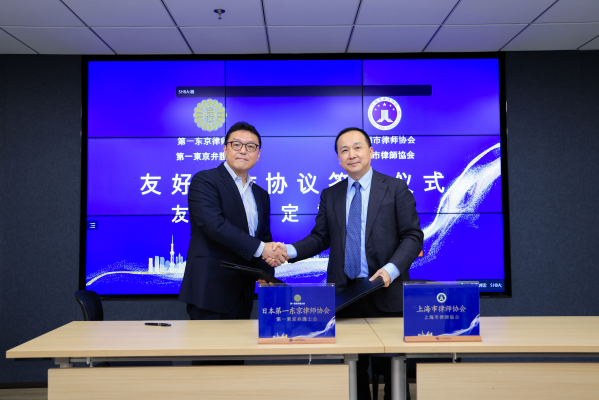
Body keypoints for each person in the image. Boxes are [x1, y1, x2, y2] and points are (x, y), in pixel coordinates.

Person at [268, 127, 423, 400]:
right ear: (339, 159)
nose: (352, 154)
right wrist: (288, 251)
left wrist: (391, 270)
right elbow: (320, 238)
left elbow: (412, 236)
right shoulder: (331, 195)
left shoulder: (396, 188)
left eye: (357, 147)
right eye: (344, 150)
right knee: (353, 373)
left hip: (386, 291)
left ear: (371, 152)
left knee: (393, 371)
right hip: (345, 295)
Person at [179, 122, 288, 322]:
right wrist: (263, 249)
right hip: (210, 292)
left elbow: (264, 237)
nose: (243, 151)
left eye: (250, 146)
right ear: (225, 149)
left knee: (240, 344)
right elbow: (215, 225)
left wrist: (267, 273)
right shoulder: (205, 180)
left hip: (243, 294)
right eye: (236, 144)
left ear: (258, 154)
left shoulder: (261, 194)